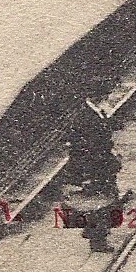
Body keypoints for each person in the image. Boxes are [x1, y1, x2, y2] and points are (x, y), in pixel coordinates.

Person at [54, 100, 122, 253]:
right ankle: (97, 239)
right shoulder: (86, 115)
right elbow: (86, 146)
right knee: (100, 201)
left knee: (103, 199)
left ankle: (94, 233)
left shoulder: (92, 110)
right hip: (95, 165)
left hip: (100, 163)